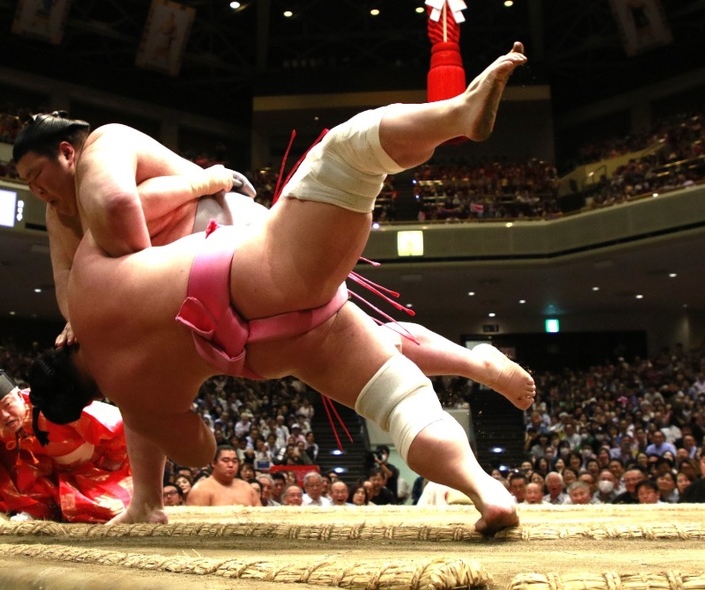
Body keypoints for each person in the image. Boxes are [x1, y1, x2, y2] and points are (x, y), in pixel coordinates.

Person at [28, 43, 528, 534]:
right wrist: (158, 246)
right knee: (344, 154)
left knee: (398, 398)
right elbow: (132, 206)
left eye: (36, 176)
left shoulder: (137, 401)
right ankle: (456, 114)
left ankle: (486, 490)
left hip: (260, 355)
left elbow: (199, 449)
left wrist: (155, 408)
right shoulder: (93, 270)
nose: (39, 192)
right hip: (252, 270)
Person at [12, 117, 536, 412]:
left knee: (346, 338)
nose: (38, 191)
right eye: (28, 185)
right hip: (190, 299)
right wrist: (83, 316)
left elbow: (135, 219)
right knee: (359, 341)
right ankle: (475, 364)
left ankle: (474, 364)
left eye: (39, 175)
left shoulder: (105, 159)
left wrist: (205, 181)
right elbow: (66, 286)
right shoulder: (60, 217)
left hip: (229, 245)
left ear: (68, 153)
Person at [0, 363, 132, 523]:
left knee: (105, 507)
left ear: (19, 394)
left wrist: (113, 462)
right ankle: (36, 507)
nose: (4, 416)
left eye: (7, 405)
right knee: (10, 459)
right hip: (47, 474)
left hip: (98, 469)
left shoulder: (53, 404)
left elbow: (122, 425)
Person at [184, 445, 259, 507]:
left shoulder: (247, 488)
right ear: (213, 463)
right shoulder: (200, 490)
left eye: (234, 461)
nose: (231, 465)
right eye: (225, 460)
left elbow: (261, 519)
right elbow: (194, 523)